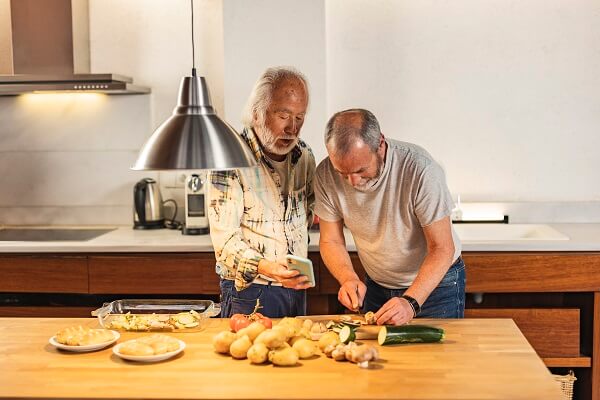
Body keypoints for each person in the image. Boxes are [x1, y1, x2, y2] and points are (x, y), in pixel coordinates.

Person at [314, 108, 464, 325]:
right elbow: (331, 240)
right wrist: (348, 278)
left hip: (436, 287)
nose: (352, 182)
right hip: (377, 285)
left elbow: (442, 248)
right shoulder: (325, 174)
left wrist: (411, 302)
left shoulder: (420, 169)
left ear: (380, 145)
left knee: (437, 358)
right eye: (342, 173)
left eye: (360, 170)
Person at [206, 66, 315, 318]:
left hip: (297, 288)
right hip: (250, 290)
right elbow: (225, 244)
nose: (292, 128)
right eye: (283, 115)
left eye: (299, 117)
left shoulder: (305, 155)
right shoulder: (229, 158)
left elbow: (309, 212)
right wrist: (268, 267)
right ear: (256, 113)